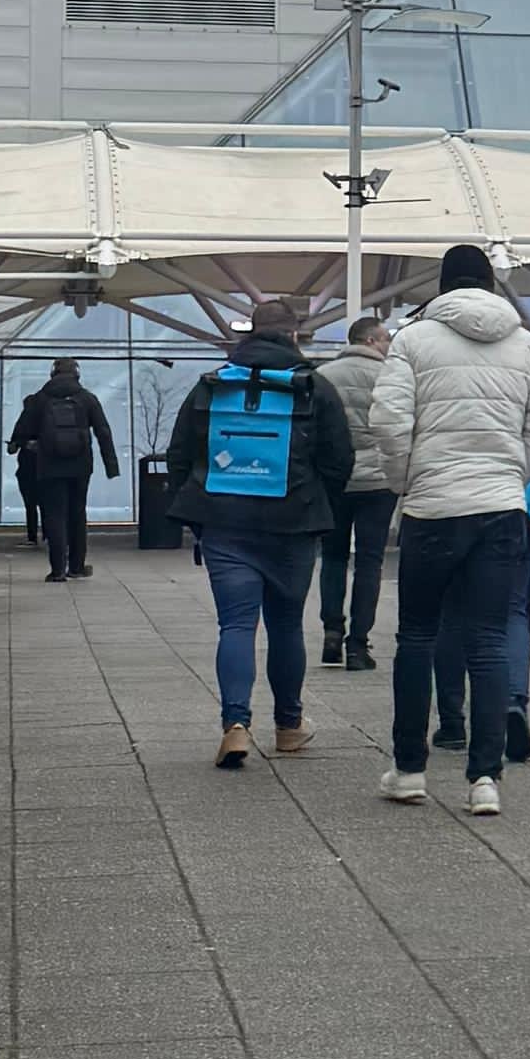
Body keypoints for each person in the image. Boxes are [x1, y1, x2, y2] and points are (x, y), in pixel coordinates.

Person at [364, 241, 530, 812]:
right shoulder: (528, 346)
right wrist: (512, 475)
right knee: (490, 640)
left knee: (416, 637)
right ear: (491, 286)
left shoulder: (412, 340)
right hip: (501, 508)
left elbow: (389, 420)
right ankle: (484, 780)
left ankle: (409, 769)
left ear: (443, 286)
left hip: (432, 508)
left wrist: (406, 479)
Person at [159, 319, 351, 764]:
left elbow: (180, 453)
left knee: (236, 625)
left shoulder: (210, 385)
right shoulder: (314, 387)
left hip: (224, 522)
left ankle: (236, 726)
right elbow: (340, 460)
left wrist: (197, 509)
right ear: (294, 336)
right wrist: (316, 506)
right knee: (286, 626)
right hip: (294, 523)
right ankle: (289, 726)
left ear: (245, 337)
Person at [308, 314, 395, 667]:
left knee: (333, 556)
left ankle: (332, 632)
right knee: (370, 561)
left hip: (335, 480)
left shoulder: (324, 376)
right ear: (371, 340)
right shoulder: (390, 377)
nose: (389, 345)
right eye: (386, 339)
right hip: (378, 481)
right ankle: (358, 643)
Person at [9, 357, 118, 584]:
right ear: (77, 374)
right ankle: (77, 567)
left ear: (52, 374)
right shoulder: (87, 398)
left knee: (54, 514)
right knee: (77, 513)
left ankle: (57, 570)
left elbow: (22, 429)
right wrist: (111, 465)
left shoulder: (40, 399)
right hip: (80, 466)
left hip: (49, 465)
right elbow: (103, 431)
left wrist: (18, 443)